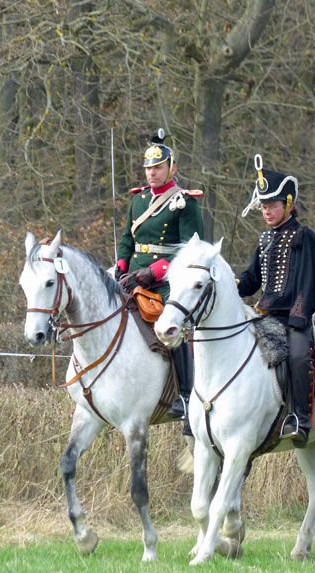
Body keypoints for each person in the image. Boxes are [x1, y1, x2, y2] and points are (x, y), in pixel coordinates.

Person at [115, 128, 204, 431]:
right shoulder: (138, 200)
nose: (152, 173)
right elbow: (128, 237)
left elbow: (192, 251)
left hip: (167, 282)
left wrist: (153, 272)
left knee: (174, 331)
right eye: (148, 168)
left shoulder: (185, 203)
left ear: (171, 168)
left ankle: (186, 396)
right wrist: (121, 264)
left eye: (158, 167)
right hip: (133, 278)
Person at [237, 154, 315, 448]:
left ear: (288, 204)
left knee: (300, 356)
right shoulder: (264, 240)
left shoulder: (305, 237)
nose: (267, 211)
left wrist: (299, 318)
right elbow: (251, 279)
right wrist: (231, 285)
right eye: (263, 206)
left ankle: (300, 418)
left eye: (272, 205)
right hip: (265, 314)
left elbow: (307, 283)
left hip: (296, 315)